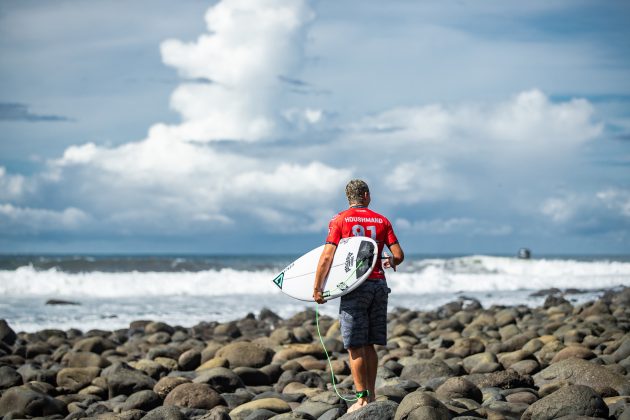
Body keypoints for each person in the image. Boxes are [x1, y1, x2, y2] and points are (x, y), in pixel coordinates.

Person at [313, 179, 404, 413]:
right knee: (370, 343)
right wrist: (389, 261)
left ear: (349, 197)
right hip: (378, 286)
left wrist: (318, 288)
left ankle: (362, 399)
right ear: (366, 195)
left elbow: (327, 257)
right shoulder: (382, 220)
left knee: (355, 345)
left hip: (354, 287)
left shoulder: (340, 220)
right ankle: (371, 395)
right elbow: (398, 255)